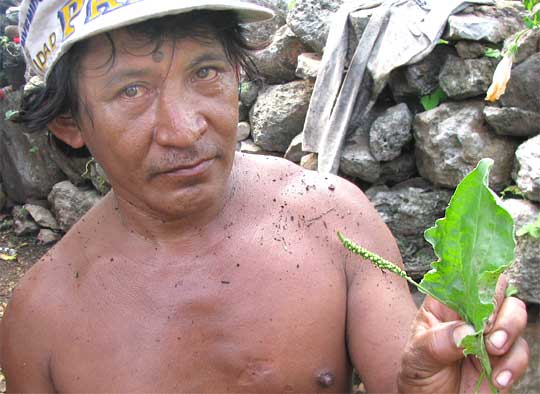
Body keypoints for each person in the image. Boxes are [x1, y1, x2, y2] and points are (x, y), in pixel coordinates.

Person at [0, 0, 529, 392]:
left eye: (205, 72)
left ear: (235, 75)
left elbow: (413, 377)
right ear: (70, 120)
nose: (184, 130)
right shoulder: (42, 321)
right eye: (131, 91)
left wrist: (448, 379)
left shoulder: (332, 220)